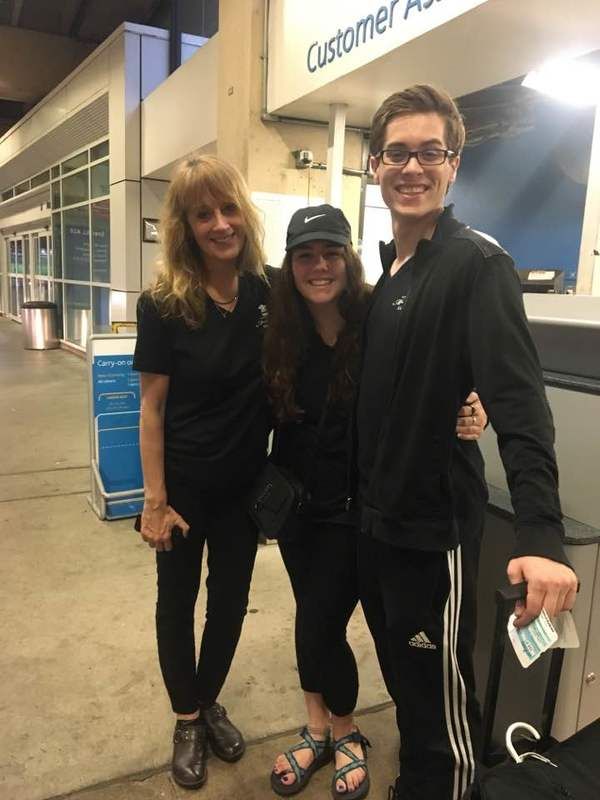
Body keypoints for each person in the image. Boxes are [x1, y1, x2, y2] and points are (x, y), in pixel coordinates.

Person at [356, 84, 579, 800]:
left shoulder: (476, 265)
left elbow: (520, 407)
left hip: (431, 538)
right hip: (377, 529)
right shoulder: (390, 270)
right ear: (374, 164)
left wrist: (542, 534)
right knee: (408, 694)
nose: (412, 167)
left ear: (454, 165)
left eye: (431, 152)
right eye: (398, 152)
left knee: (441, 711)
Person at [264, 205, 488, 799]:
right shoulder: (279, 330)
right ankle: (322, 727)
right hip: (299, 515)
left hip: (360, 511)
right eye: (306, 255)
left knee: (335, 628)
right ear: (290, 265)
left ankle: (345, 733)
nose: (319, 266)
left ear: (349, 258)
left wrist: (473, 400)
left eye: (331, 253)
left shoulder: (379, 318)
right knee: (314, 627)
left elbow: (441, 365)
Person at [132, 154, 271, 790]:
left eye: (228, 208)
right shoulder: (164, 303)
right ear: (185, 227)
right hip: (183, 488)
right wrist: (154, 501)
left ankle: (208, 695)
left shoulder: (268, 293)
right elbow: (152, 408)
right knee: (177, 602)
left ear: (244, 213)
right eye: (202, 213)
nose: (219, 223)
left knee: (232, 603)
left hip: (245, 488)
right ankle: (187, 717)